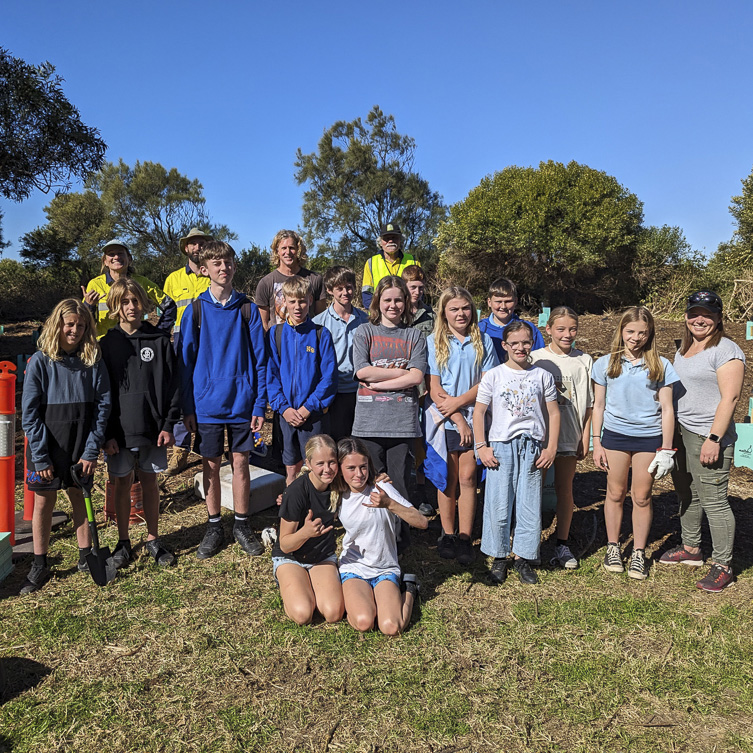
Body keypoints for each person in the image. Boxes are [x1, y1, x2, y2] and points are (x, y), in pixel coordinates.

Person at [180, 240, 267, 559]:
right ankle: (214, 525)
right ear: (204, 270)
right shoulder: (196, 310)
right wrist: (188, 406)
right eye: (216, 263)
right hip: (206, 406)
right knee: (211, 466)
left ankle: (242, 525)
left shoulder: (247, 309)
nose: (224, 267)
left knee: (242, 464)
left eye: (228, 261)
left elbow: (261, 359)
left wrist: (259, 404)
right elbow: (185, 362)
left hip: (243, 404)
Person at [20, 299, 111, 594]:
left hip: (79, 446)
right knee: (43, 504)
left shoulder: (92, 361)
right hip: (46, 447)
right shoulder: (39, 362)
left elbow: (103, 407)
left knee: (79, 497)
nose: (74, 330)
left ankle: (86, 555)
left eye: (81, 325)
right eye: (69, 324)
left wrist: (90, 451)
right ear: (57, 324)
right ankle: (40, 562)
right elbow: (30, 415)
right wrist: (40, 455)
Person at [659, 290, 745, 592]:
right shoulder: (684, 348)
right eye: (694, 313)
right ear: (685, 316)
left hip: (708, 435)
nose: (700, 319)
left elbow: (731, 397)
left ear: (719, 318)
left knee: (715, 501)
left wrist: (714, 438)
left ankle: (723, 565)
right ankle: (691, 549)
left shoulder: (726, 350)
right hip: (682, 433)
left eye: (707, 315)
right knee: (687, 493)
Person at [591, 306, 679, 581]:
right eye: (630, 331)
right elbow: (599, 405)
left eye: (642, 332)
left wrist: (666, 449)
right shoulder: (604, 363)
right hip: (615, 437)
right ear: (621, 331)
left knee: (641, 496)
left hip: (648, 439)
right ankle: (613, 546)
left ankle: (639, 552)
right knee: (615, 493)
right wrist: (597, 441)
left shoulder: (661, 365)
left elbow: (667, 409)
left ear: (650, 333)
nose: (636, 338)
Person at [100, 279, 180, 569]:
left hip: (153, 427)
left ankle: (152, 538)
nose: (131, 307)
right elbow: (101, 393)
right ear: (115, 307)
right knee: (121, 483)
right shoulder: (106, 345)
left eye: (135, 301)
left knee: (149, 480)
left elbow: (174, 386)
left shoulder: (159, 340)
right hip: (118, 431)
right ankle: (123, 542)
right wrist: (106, 433)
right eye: (124, 302)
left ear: (145, 304)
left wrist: (169, 424)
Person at [473, 321, 560, 586]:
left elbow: (554, 413)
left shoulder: (541, 375)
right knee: (499, 502)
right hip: (501, 445)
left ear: (532, 343)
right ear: (505, 346)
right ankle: (499, 556)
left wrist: (551, 446)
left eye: (525, 342)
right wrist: (481, 446)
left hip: (532, 446)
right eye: (515, 343)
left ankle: (523, 556)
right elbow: (478, 413)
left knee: (528, 502)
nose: (520, 347)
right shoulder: (494, 375)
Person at [426, 286, 498, 565]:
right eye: (454, 309)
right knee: (447, 478)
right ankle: (448, 533)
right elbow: (434, 388)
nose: (460, 314)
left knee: (467, 478)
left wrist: (460, 407)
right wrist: (455, 415)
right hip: (444, 419)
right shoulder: (435, 341)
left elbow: (486, 383)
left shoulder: (483, 342)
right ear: (444, 312)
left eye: (465, 308)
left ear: (473, 310)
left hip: (474, 415)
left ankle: (466, 536)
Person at [334, 437, 427, 635]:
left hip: (385, 567)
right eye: (351, 468)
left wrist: (390, 504)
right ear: (340, 468)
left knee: (391, 627)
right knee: (364, 621)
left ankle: (409, 589)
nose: (359, 474)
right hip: (354, 566)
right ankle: (364, 598)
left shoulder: (381, 487)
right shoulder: (336, 493)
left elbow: (422, 522)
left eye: (363, 467)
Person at [351, 276, 428, 506]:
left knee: (399, 485)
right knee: (369, 483)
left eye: (398, 300)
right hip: (368, 423)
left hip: (401, 425)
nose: (393, 305)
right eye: (387, 300)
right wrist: (401, 373)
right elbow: (362, 371)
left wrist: (379, 383)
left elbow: (417, 377)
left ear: (405, 301)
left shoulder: (414, 336)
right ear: (377, 301)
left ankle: (399, 538)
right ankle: (373, 537)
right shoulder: (364, 332)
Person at [531, 307, 593, 569]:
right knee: (533, 489)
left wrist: (586, 436)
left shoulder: (585, 360)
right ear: (549, 330)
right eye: (561, 329)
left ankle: (562, 542)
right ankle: (529, 542)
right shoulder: (535, 358)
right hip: (540, 439)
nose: (567, 334)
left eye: (572, 329)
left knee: (565, 489)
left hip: (570, 436)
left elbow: (590, 404)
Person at [266, 276, 338, 485]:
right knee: (291, 468)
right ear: (284, 302)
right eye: (292, 301)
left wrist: (308, 408)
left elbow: (329, 378)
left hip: (313, 416)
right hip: (286, 415)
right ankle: (293, 513)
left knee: (316, 468)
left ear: (310, 301)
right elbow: (271, 376)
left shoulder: (320, 334)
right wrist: (284, 409)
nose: (298, 307)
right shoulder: (275, 334)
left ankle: (316, 514)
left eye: (303, 301)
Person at [271, 435, 344, 625]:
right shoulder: (296, 491)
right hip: (291, 557)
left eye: (332, 462)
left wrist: (379, 477)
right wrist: (305, 532)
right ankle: (289, 581)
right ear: (309, 463)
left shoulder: (340, 484)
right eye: (320, 463)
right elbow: (285, 544)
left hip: (321, 556)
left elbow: (362, 475)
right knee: (303, 614)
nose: (327, 469)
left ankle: (309, 583)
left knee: (333, 613)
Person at [163, 227, 213, 475]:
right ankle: (180, 450)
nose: (198, 247)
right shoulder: (173, 279)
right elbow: (166, 314)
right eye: (193, 244)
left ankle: (206, 445)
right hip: (180, 339)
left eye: (202, 243)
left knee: (205, 387)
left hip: (209, 339)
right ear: (186, 248)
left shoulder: (214, 274)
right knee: (181, 389)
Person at [312, 266, 368, 441]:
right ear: (330, 290)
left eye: (349, 287)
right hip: (332, 393)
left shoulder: (365, 320)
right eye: (340, 288)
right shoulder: (318, 323)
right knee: (336, 442)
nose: (346, 292)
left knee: (359, 443)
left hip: (360, 391)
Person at [83, 239, 176, 338]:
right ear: (105, 261)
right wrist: (89, 306)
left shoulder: (142, 283)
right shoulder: (95, 284)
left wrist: (160, 333)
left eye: (120, 253)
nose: (116, 257)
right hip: (105, 344)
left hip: (136, 343)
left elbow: (170, 305)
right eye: (111, 254)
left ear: (129, 259)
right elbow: (83, 320)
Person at [254, 229, 326, 330]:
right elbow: (263, 324)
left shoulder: (315, 279)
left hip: (308, 340)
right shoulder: (266, 283)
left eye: (292, 248)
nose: (288, 252)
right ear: (277, 251)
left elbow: (321, 318)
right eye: (284, 248)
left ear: (298, 250)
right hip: (277, 342)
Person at [478, 277, 544, 363]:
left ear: (516, 301)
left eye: (508, 301)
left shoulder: (529, 329)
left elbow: (539, 360)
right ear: (489, 302)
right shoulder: (479, 329)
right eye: (498, 301)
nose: (503, 306)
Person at [361, 222, 420, 309]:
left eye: (394, 238)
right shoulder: (371, 262)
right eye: (386, 238)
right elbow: (367, 294)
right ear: (380, 242)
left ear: (401, 240)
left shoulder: (413, 261)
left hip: (407, 315)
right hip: (379, 316)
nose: (391, 241)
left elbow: (419, 292)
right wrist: (379, 312)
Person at [402, 265, 435, 339]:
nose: (417, 292)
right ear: (404, 287)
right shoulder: (396, 313)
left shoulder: (430, 315)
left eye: (421, 288)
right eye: (413, 287)